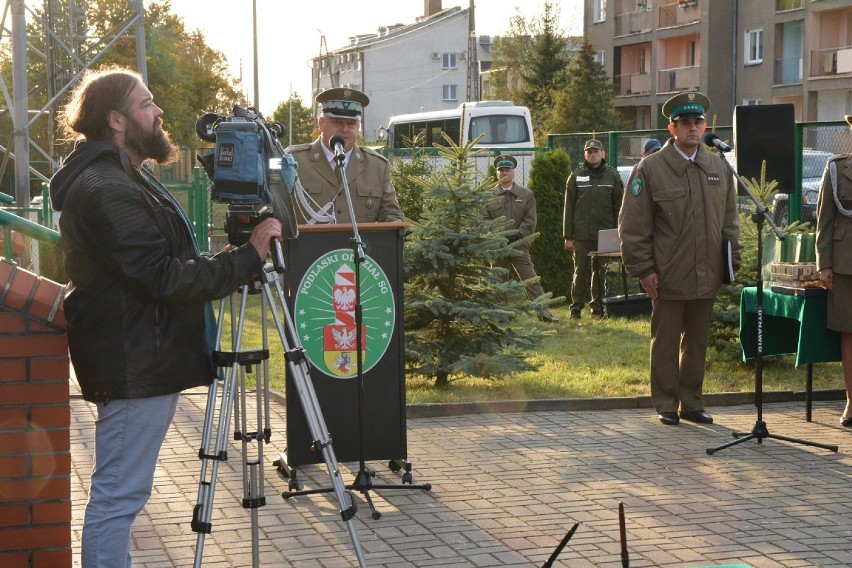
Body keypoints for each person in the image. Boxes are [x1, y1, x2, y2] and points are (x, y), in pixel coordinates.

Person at [48, 67, 282, 567]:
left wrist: (234, 263)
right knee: (117, 498)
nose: (158, 113)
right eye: (146, 104)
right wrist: (247, 258)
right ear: (116, 119)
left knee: (121, 494)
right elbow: (162, 276)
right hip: (134, 365)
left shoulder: (123, 176)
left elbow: (163, 264)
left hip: (141, 359)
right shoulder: (105, 184)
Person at [618, 91, 741, 426]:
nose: (692, 128)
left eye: (697, 122)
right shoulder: (652, 168)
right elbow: (632, 225)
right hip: (668, 272)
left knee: (697, 341)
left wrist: (733, 258)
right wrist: (643, 269)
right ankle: (666, 403)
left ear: (704, 127)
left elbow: (730, 220)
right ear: (671, 129)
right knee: (667, 341)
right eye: (684, 123)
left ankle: (692, 401)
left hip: (708, 271)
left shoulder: (717, 166)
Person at [289, 87, 404, 224]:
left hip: (360, 245)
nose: (344, 129)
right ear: (321, 124)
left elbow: (391, 213)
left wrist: (395, 226)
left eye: (351, 124)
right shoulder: (294, 161)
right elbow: (277, 209)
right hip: (309, 245)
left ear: (358, 126)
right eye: (337, 122)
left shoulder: (377, 166)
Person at [485, 154, 557, 322]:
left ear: (513, 173)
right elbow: (483, 218)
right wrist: (498, 236)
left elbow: (531, 219)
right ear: (496, 173)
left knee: (531, 280)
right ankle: (501, 315)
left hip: (519, 246)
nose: (504, 173)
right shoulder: (488, 196)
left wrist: (518, 235)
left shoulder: (526, 195)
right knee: (498, 282)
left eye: (507, 170)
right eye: (501, 170)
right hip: (497, 246)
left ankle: (544, 313)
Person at [816, 115, 852, 428]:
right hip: (845, 263)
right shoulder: (837, 169)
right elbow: (825, 219)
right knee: (850, 331)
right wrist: (824, 263)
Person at [563, 138, 623, 319]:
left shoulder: (612, 176)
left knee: (600, 273)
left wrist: (619, 234)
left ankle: (597, 308)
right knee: (580, 272)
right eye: (589, 152)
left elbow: (619, 207)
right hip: (581, 235)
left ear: (602, 153)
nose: (593, 154)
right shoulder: (575, 177)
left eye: (596, 151)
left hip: (604, 235)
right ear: (585, 155)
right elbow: (569, 207)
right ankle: (576, 308)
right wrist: (568, 236)